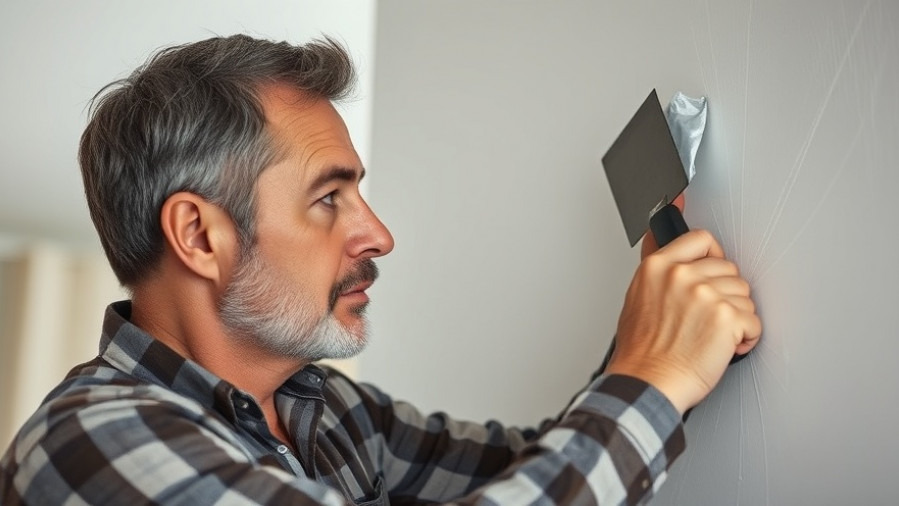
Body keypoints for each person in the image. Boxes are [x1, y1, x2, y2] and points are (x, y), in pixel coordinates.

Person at [0, 35, 761, 505]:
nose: (379, 235)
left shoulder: (324, 408)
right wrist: (653, 374)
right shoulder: (88, 444)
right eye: (328, 198)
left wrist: (653, 334)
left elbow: (534, 465)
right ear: (200, 235)